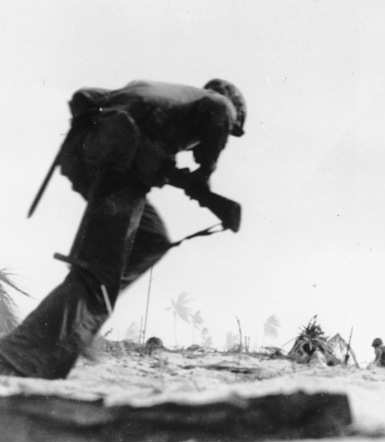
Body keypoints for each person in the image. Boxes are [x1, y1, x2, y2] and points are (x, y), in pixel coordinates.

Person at [0, 79, 246, 379]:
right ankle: (19, 358)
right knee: (98, 276)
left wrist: (210, 200)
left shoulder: (163, 106)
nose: (223, 137)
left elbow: (155, 163)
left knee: (151, 239)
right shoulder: (215, 104)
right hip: (116, 159)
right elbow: (219, 113)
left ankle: (76, 321)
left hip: (92, 154)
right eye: (230, 132)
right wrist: (206, 176)